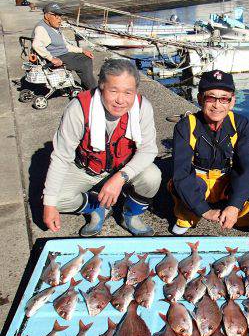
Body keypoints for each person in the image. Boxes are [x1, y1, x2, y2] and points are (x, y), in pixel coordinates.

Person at [42, 58, 161, 237]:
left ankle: (130, 215)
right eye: (113, 91)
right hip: (87, 168)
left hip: (123, 168)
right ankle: (96, 207)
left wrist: (120, 177)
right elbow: (61, 157)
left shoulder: (143, 107)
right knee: (53, 199)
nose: (121, 100)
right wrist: (49, 206)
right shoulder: (78, 108)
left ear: (135, 91)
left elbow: (148, 150)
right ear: (101, 86)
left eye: (128, 92)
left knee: (153, 176)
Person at [169, 69, 249, 235]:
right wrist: (204, 211)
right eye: (210, 98)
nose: (217, 105)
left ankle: (242, 217)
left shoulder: (241, 124)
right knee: (179, 185)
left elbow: (248, 169)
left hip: (226, 178)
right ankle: (186, 217)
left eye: (224, 99)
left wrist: (234, 206)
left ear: (232, 101)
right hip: (199, 179)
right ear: (200, 99)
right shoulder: (185, 126)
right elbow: (181, 173)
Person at [32, 2, 96, 90]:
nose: (59, 19)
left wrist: (82, 50)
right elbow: (36, 45)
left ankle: (87, 86)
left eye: (60, 16)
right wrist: (51, 58)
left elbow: (66, 45)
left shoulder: (54, 28)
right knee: (84, 62)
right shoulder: (41, 28)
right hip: (58, 57)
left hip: (63, 54)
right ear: (47, 16)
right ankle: (93, 89)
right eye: (56, 16)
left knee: (85, 56)